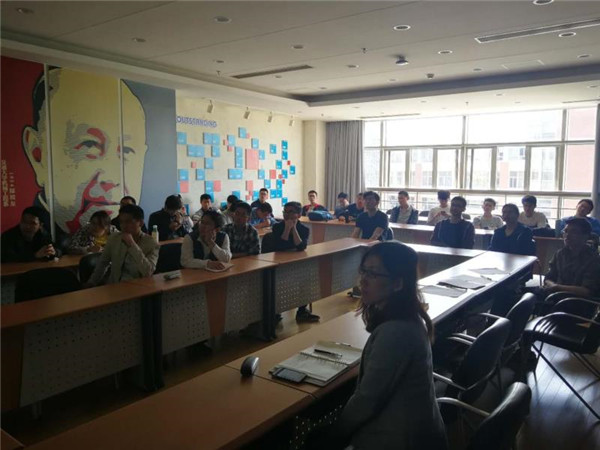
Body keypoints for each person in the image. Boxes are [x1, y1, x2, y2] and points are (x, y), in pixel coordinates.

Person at [316, 241, 447, 450]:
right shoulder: (407, 317)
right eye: (363, 271)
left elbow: (366, 401)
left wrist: (334, 435)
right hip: (410, 430)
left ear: (398, 283)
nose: (363, 280)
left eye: (374, 274)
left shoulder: (396, 333)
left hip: (401, 439)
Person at [23, 68, 148, 237]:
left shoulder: (121, 233)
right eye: (89, 145)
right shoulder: (46, 234)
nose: (111, 180)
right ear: (37, 154)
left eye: (126, 150)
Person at [87, 204, 159, 285]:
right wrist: (91, 283)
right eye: (121, 222)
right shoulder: (114, 238)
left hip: (137, 288)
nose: (123, 226)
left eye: (128, 222)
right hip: (114, 286)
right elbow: (102, 264)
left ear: (141, 223)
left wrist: (132, 245)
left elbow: (148, 272)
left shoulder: (151, 244)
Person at [271, 201, 318, 322]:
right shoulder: (277, 227)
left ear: (299, 214)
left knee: (306, 279)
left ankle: (302, 312)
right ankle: (275, 312)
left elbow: (301, 246)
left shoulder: (304, 229)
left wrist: (294, 229)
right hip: (278, 264)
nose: (287, 215)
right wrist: (287, 228)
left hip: (297, 263)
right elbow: (280, 246)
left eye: (291, 212)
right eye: (285, 212)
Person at [542, 218, 600, 299]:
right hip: (554, 296)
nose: (567, 235)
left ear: (585, 236)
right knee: (527, 297)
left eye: (573, 232)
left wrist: (557, 287)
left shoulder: (594, 259)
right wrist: (552, 285)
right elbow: (548, 277)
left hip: (576, 301)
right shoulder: (560, 254)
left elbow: (587, 291)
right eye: (565, 231)